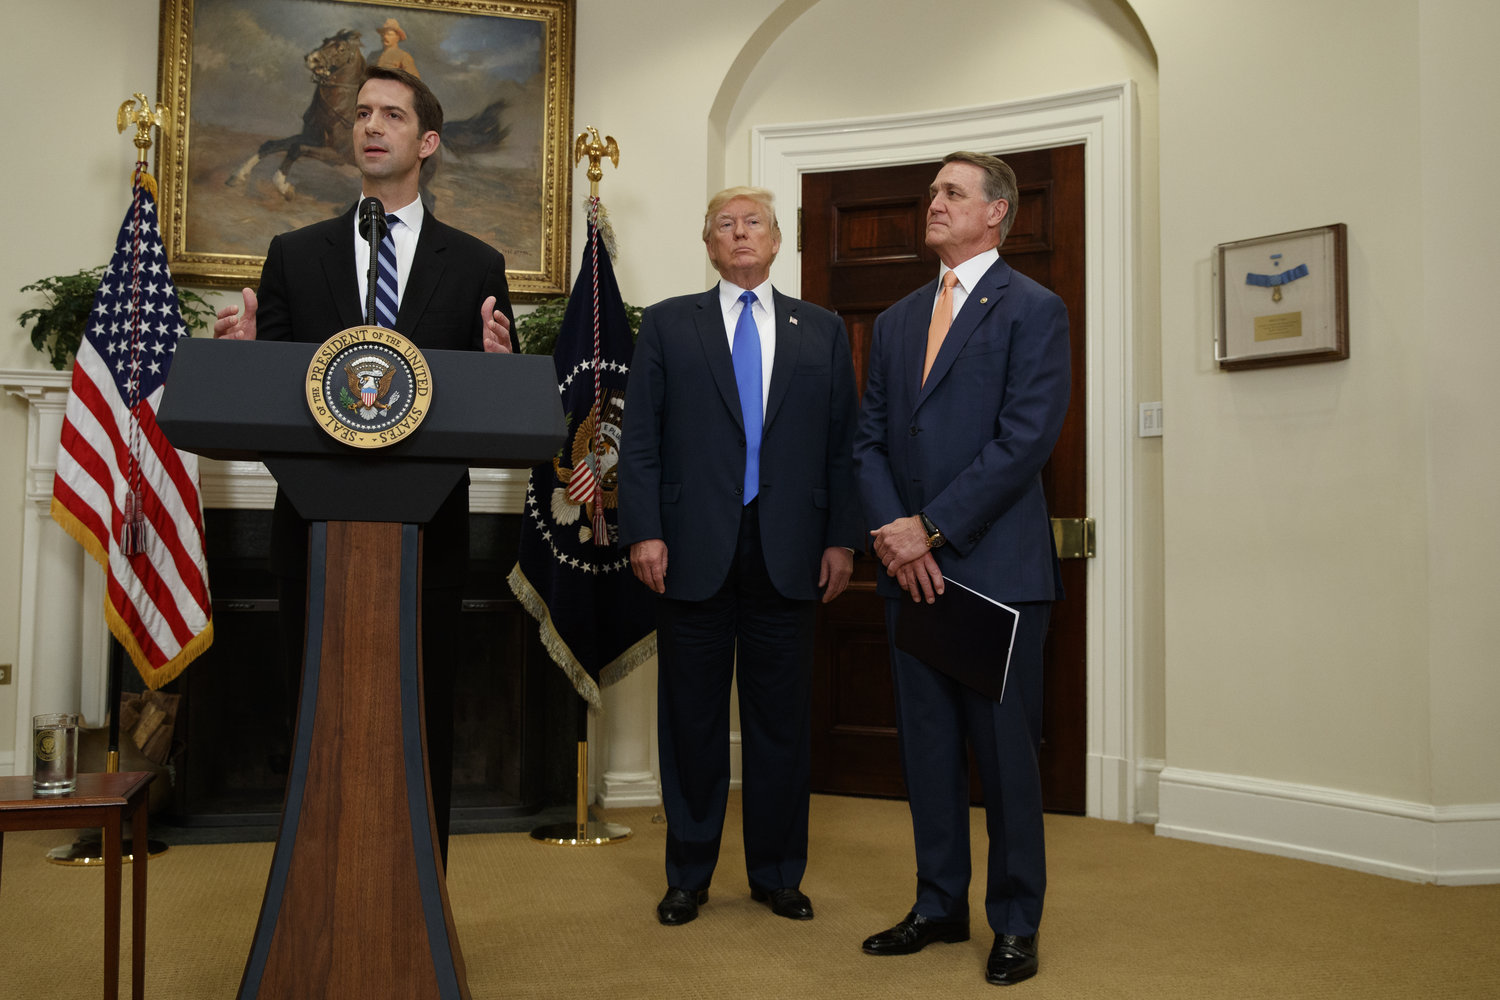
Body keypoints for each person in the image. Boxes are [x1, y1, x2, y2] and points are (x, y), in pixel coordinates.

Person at [213, 65, 514, 869]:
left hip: (427, 538)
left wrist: (496, 370)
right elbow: (270, 398)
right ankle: (314, 905)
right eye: (361, 114)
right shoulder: (294, 254)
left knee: (420, 722)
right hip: (313, 532)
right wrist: (242, 363)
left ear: (428, 140)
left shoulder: (478, 264)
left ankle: (421, 917)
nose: (370, 125)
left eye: (391, 114)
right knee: (317, 721)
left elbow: (487, 412)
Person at [853, 152, 1070, 987]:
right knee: (929, 749)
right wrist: (894, 535)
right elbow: (870, 438)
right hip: (911, 574)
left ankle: (1015, 922)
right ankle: (938, 905)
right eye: (933, 192)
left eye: (952, 193)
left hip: (995, 571)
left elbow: (1025, 440)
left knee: (1004, 757)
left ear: (997, 214)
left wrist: (931, 528)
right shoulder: (903, 316)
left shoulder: (1035, 308)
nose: (933, 202)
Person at [618, 186, 860, 927]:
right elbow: (643, 441)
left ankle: (778, 873)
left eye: (753, 221)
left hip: (791, 551)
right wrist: (644, 530)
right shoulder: (665, 325)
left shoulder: (821, 330)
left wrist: (842, 537)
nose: (740, 231)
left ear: (778, 239)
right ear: (708, 243)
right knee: (690, 723)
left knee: (781, 723)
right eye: (725, 223)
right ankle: (689, 874)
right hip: (689, 550)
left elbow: (844, 446)